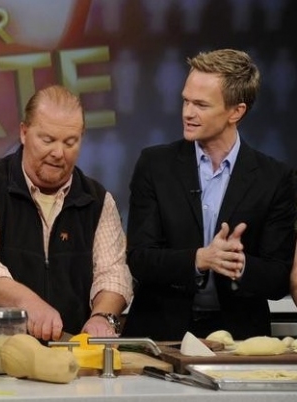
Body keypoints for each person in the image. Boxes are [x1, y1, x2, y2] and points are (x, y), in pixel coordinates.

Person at [122, 49, 297, 341]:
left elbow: (279, 278)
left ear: (236, 112)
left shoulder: (275, 178)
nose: (187, 113)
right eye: (186, 101)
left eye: (201, 105)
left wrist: (239, 264)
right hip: (161, 334)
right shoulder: (154, 165)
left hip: (238, 339)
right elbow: (139, 258)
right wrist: (201, 258)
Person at [0, 85, 133, 341]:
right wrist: (28, 303)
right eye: (47, 140)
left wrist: (102, 316)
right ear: (24, 132)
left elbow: (113, 273)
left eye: (70, 142)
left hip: (68, 357)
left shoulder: (98, 202)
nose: (58, 153)